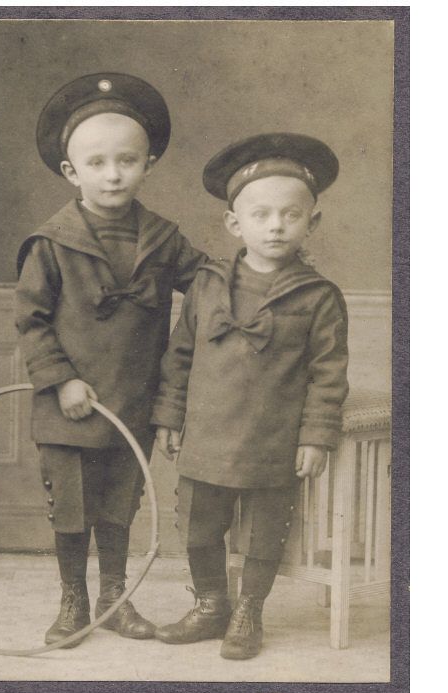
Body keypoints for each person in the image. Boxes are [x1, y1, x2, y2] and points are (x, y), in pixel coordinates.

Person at [15, 73, 207, 646]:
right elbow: (30, 320)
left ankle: (115, 599)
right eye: (96, 163)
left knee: (119, 506)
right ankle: (74, 599)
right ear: (72, 172)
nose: (114, 173)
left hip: (132, 399)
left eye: (127, 160)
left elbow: (207, 282)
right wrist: (62, 380)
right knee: (71, 509)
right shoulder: (51, 243)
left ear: (149, 163)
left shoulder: (163, 238)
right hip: (70, 404)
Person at [151, 133, 350, 660]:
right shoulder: (209, 284)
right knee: (197, 527)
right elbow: (180, 354)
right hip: (208, 434)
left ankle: (248, 612)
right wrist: (170, 416)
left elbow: (329, 374)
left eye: (290, 214)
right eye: (261, 215)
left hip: (272, 440)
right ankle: (213, 605)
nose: (276, 225)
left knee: (264, 534)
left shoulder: (319, 297)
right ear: (235, 224)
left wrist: (316, 437)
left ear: (313, 222)